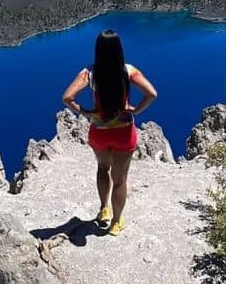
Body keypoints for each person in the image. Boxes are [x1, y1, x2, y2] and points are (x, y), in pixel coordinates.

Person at [61, 29, 157, 236]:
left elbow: (67, 98)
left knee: (102, 169)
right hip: (124, 132)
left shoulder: (89, 73)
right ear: (119, 49)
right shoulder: (128, 71)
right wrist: (135, 110)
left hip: (99, 132)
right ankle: (115, 222)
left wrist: (86, 113)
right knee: (120, 179)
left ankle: (103, 209)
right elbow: (152, 93)